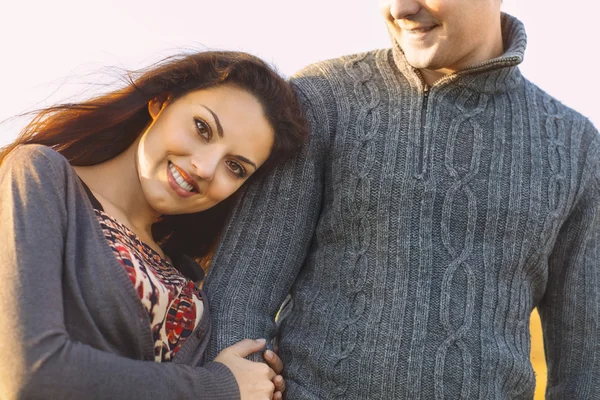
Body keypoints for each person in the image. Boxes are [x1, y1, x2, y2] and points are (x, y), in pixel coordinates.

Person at [203, 1, 600, 399]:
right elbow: (238, 300)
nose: (400, 8)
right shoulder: (323, 97)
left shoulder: (576, 147)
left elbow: (586, 369)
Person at [0, 50, 308, 400]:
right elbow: (31, 375)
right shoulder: (41, 178)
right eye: (202, 128)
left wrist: (260, 379)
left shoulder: (188, 275)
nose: (205, 168)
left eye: (235, 167)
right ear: (161, 103)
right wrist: (218, 387)